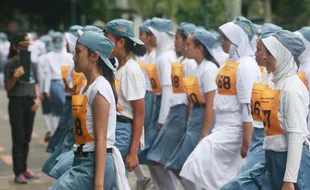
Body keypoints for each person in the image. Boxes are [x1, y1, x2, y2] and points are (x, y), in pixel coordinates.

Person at [221, 30, 310, 190]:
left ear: (282, 55)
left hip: (289, 164)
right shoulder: (275, 83)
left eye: (269, 53)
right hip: (271, 160)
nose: (263, 57)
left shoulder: (292, 89)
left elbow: (296, 135)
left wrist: (289, 180)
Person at [179, 19, 261, 189]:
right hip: (222, 127)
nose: (222, 41)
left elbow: (247, 105)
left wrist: (247, 140)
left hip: (234, 129)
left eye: (226, 38)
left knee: (196, 167)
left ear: (237, 40)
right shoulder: (229, 62)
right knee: (207, 174)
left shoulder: (246, 66)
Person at [50, 31, 130, 190]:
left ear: (94, 56)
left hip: (92, 165)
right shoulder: (87, 87)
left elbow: (101, 139)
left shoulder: (100, 88)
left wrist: (98, 185)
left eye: (78, 51)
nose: (74, 56)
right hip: (82, 161)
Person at [146, 22, 198, 189]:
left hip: (178, 113)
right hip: (173, 112)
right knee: (161, 160)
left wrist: (166, 119)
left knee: (169, 161)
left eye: (178, 38)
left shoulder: (182, 62)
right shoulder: (179, 59)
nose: (176, 41)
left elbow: (185, 94)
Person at [237, 24, 282, 174]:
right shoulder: (263, 76)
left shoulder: (282, 82)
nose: (256, 54)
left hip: (268, 141)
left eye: (259, 49)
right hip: (258, 138)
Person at [104, 19, 146, 173]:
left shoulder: (131, 70)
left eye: (107, 40)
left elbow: (139, 112)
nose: (104, 44)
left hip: (123, 131)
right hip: (115, 128)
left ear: (120, 42)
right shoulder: (117, 67)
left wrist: (133, 152)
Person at [4, 33, 40, 184]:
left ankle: (24, 168)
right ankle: (18, 172)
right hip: (16, 102)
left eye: (27, 46)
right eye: (23, 46)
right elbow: (7, 88)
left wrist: (37, 98)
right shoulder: (11, 63)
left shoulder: (30, 61)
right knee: (18, 137)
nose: (25, 49)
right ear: (15, 47)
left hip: (30, 101)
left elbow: (35, 81)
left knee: (26, 137)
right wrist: (15, 76)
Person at [133, 19, 156, 190]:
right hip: (142, 95)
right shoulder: (144, 56)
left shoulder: (155, 56)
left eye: (142, 34)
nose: (140, 37)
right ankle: (145, 179)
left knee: (147, 142)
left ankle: (152, 182)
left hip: (150, 98)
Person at [43, 32, 74, 131]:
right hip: (68, 85)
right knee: (67, 111)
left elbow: (47, 74)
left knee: (55, 112)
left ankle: (56, 133)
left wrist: (46, 90)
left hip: (54, 84)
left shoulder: (48, 57)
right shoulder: (69, 56)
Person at [37, 35, 54, 142]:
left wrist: (42, 90)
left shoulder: (42, 58)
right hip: (60, 86)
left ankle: (49, 129)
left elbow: (41, 75)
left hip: (47, 87)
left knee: (46, 111)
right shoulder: (56, 55)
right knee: (57, 112)